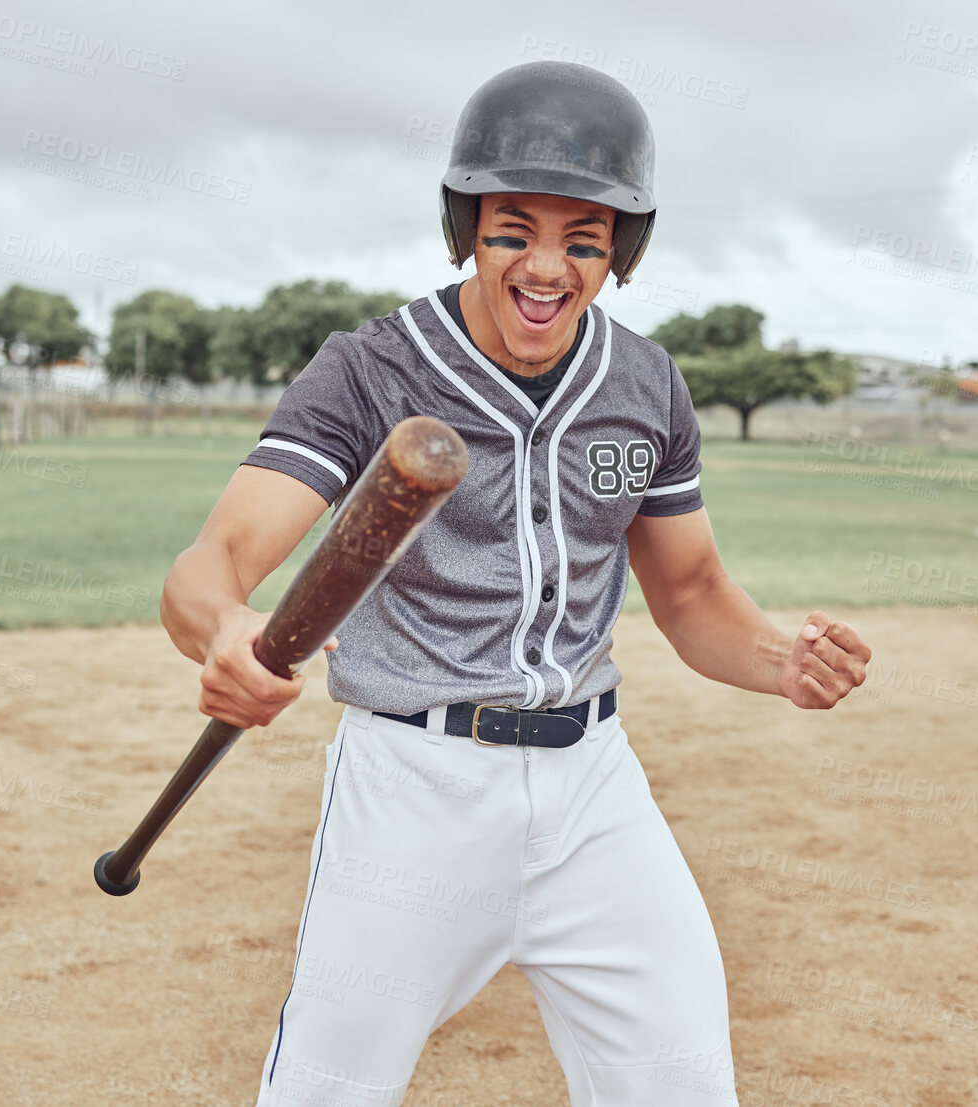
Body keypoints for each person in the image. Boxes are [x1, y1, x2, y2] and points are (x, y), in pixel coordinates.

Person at [159, 60, 872, 1107]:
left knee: (680, 1083)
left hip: (594, 793)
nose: (545, 266)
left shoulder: (643, 386)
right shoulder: (370, 372)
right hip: (413, 791)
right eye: (513, 230)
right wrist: (223, 630)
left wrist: (783, 662)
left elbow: (687, 595)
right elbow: (210, 563)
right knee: (326, 1090)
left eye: (581, 239)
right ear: (466, 228)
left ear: (618, 251)